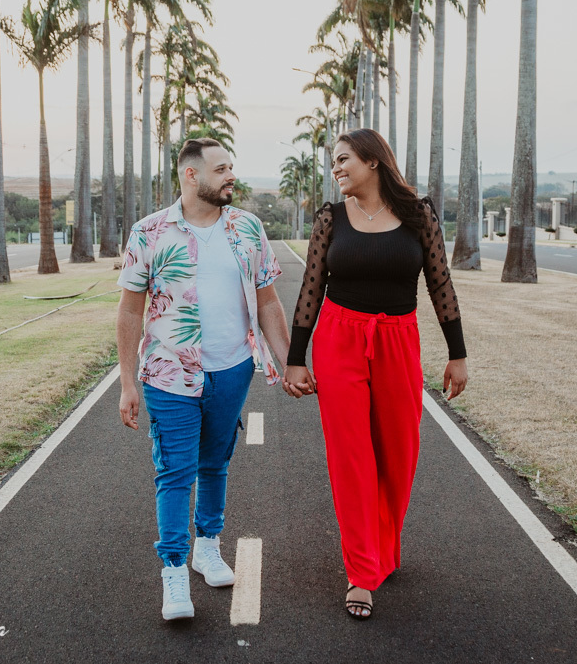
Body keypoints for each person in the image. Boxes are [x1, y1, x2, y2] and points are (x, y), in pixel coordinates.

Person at [283, 128, 468, 620]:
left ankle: (383, 545)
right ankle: (362, 572)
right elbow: (311, 289)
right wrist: (296, 358)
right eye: (334, 161)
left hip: (397, 341)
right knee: (351, 458)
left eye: (343, 159)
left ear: (373, 161)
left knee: (399, 453)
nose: (336, 168)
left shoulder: (418, 215)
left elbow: (440, 284)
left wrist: (457, 353)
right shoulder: (331, 218)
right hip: (339, 340)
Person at [116, 137, 291, 621]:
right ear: (191, 175)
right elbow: (130, 310)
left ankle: (207, 548)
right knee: (175, 471)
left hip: (232, 369)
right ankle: (174, 569)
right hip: (169, 373)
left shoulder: (247, 228)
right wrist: (127, 382)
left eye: (231, 167)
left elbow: (268, 301)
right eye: (221, 168)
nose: (231, 176)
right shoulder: (150, 232)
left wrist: (289, 361)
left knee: (215, 464)